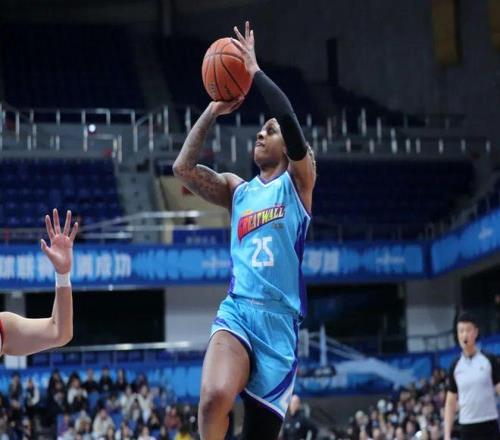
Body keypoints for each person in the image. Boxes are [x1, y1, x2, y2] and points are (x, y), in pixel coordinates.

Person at [173, 20, 315, 440]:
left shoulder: (299, 184)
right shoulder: (238, 191)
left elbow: (289, 121)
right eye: (261, 128)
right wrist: (213, 110)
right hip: (238, 311)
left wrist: (254, 72)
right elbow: (183, 168)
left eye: (270, 130)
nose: (261, 132)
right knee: (213, 397)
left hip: (279, 325)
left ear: (287, 148)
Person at [444, 312, 500, 440]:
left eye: (468, 330)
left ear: (475, 332)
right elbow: (450, 403)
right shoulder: (455, 365)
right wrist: (447, 435)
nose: (464, 335)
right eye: (461, 331)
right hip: (467, 426)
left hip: (489, 424)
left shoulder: (489, 360)